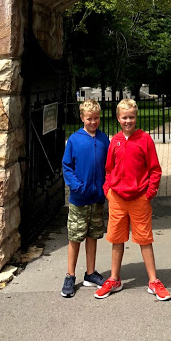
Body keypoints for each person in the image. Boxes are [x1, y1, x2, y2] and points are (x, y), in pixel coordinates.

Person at [95, 98, 171, 301]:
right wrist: (108, 190)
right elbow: (109, 169)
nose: (128, 121)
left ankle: (153, 280)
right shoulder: (115, 141)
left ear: (136, 117)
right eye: (124, 117)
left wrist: (149, 193)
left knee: (145, 240)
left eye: (131, 117)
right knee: (116, 239)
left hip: (139, 198)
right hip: (118, 198)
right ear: (118, 118)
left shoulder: (145, 139)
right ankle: (114, 278)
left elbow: (154, 169)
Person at [61, 100, 110, 297]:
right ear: (82, 118)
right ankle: (70, 275)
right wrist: (77, 186)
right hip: (79, 198)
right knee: (75, 237)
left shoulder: (104, 139)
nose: (93, 122)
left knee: (93, 235)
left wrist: (106, 187)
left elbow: (109, 165)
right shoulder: (74, 140)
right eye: (89, 119)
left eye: (96, 118)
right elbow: (67, 166)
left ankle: (90, 272)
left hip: (97, 197)